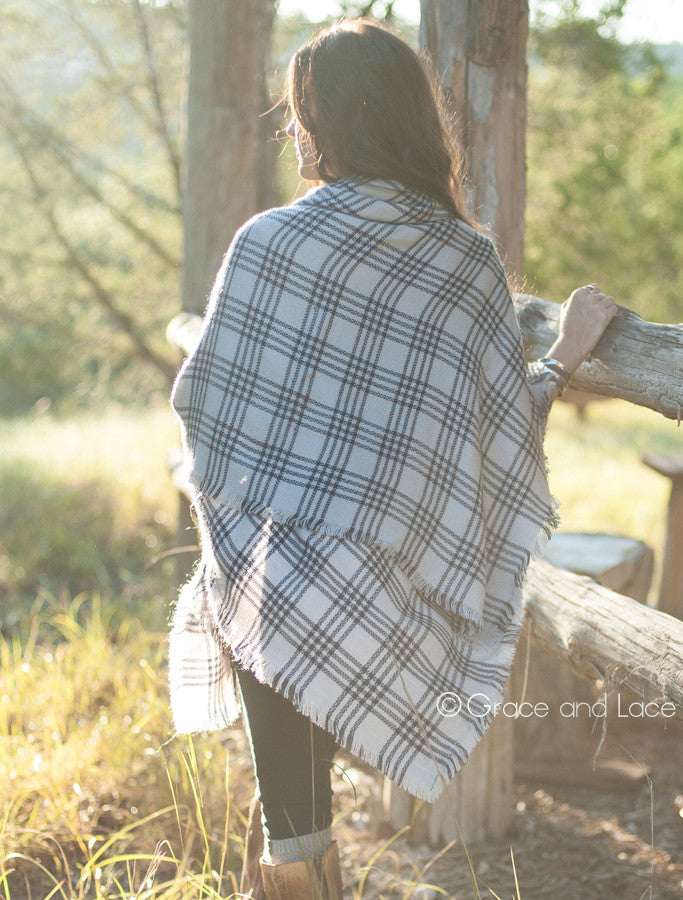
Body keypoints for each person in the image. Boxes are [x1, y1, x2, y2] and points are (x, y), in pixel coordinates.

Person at [168, 18, 617, 900]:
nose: (293, 130)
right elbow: (495, 436)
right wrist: (561, 357)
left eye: (303, 113)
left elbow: (206, 413)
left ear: (339, 121)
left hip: (271, 580)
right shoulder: (463, 260)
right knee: (300, 812)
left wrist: (243, 536)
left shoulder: (269, 242)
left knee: (291, 816)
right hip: (388, 593)